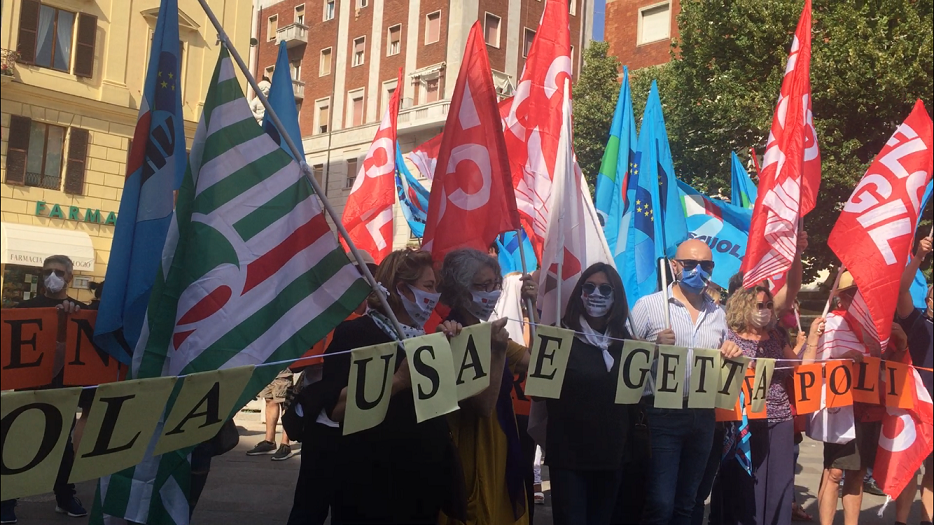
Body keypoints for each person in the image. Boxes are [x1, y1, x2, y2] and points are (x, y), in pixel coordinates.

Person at [317, 248, 466, 524]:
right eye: (428, 286)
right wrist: (396, 382)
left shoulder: (427, 339)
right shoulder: (357, 334)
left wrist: (456, 348)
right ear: (402, 289)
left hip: (424, 486)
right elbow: (334, 409)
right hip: (372, 488)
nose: (434, 295)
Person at [630, 239, 744, 525]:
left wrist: (730, 351)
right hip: (660, 413)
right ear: (674, 266)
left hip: (703, 415)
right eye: (690, 264)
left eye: (705, 265)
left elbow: (725, 355)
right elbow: (624, 355)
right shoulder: (649, 306)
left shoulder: (719, 314)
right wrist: (652, 346)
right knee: (660, 502)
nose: (698, 271)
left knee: (689, 502)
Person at [715, 284, 823, 524]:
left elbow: (798, 368)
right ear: (743, 306)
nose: (764, 310)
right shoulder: (728, 335)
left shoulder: (776, 335)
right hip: (744, 421)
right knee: (748, 484)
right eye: (758, 305)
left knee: (780, 484)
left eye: (767, 305)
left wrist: (813, 339)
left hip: (781, 419)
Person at [438, 249, 531, 525]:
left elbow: (536, 363)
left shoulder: (487, 331)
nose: (492, 292)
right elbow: (481, 405)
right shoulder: (449, 335)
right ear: (460, 289)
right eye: (483, 286)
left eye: (495, 285)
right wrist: (498, 355)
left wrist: (532, 304)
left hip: (502, 445)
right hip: (470, 449)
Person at [543, 263, 633, 525]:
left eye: (605, 289)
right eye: (589, 287)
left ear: (616, 296)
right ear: (579, 292)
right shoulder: (558, 335)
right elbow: (539, 395)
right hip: (570, 457)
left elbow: (635, 394)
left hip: (611, 456)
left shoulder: (625, 341)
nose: (596, 294)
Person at [1, 255, 88, 524]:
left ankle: (64, 496)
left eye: (59, 272)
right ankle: (7, 499)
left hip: (65, 388)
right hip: (29, 386)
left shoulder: (80, 311)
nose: (53, 276)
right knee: (19, 441)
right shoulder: (24, 309)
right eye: (48, 271)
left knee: (62, 443)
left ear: (70, 277)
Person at [812, 271, 883, 525]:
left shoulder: (874, 326)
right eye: (851, 293)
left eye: (861, 293)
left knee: (857, 472)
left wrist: (873, 354)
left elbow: (882, 366)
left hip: (867, 407)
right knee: (834, 472)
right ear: (840, 298)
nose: (858, 298)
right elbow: (815, 367)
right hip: (839, 409)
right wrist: (842, 361)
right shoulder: (829, 323)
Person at [893, 235, 933, 525]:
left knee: (932, 473)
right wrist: (919, 256)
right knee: (910, 468)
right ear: (928, 299)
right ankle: (901, 521)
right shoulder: (918, 321)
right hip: (916, 406)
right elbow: (901, 291)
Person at [246, 369, 296, 460]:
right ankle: (269, 442)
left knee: (285, 403)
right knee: (269, 400)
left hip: (282, 369)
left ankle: (285, 444)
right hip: (268, 370)